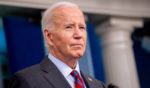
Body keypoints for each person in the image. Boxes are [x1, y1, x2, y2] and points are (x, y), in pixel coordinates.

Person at [9, 1, 106, 88]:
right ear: (49, 36)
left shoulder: (98, 85)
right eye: (69, 27)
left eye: (82, 27)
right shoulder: (27, 80)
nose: (78, 35)